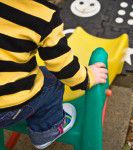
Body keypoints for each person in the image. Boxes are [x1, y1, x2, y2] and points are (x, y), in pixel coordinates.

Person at [0, 0, 108, 149]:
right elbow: (62, 66)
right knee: (52, 82)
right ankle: (47, 130)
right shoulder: (43, 16)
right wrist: (88, 77)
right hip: (6, 109)